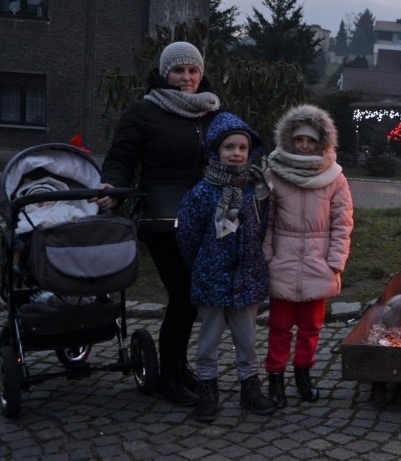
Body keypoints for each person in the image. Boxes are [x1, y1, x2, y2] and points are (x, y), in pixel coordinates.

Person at [94, 41, 221, 406]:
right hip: (163, 218)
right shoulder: (145, 111)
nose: (186, 77)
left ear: (201, 74)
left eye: (193, 70)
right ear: (165, 74)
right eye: (178, 70)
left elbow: (232, 150)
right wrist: (112, 187)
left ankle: (178, 369)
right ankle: (169, 378)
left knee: (192, 299)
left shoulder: (210, 110)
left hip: (204, 219)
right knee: (182, 295)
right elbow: (121, 156)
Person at [175, 112, 274, 422]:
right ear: (216, 150)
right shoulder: (202, 193)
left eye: (242, 148)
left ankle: (250, 388)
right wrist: (203, 265)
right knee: (208, 340)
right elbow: (188, 235)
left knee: (247, 338)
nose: (236, 153)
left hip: (247, 278)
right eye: (229, 147)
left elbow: (263, 228)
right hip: (211, 277)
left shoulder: (256, 189)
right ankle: (208, 389)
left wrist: (254, 261)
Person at [262, 104, 354, 407]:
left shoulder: (335, 178)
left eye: (310, 140)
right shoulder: (274, 174)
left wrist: (335, 262)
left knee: (311, 327)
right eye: (298, 139)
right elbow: (266, 222)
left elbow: (342, 224)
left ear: (321, 142)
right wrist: (268, 257)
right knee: (278, 327)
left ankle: (303, 373)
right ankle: (275, 377)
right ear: (289, 140)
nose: (304, 146)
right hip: (283, 263)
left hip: (318, 264)